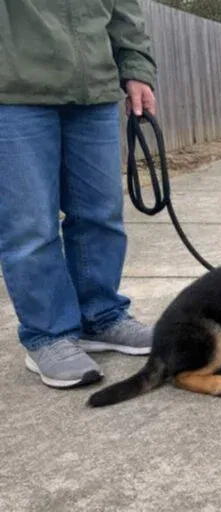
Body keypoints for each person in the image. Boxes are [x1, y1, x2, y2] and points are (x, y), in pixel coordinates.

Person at [0, 1, 158, 388]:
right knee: (30, 226)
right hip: (13, 90)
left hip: (94, 89)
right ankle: (48, 335)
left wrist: (136, 68)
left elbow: (124, 10)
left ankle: (101, 316)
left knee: (101, 214)